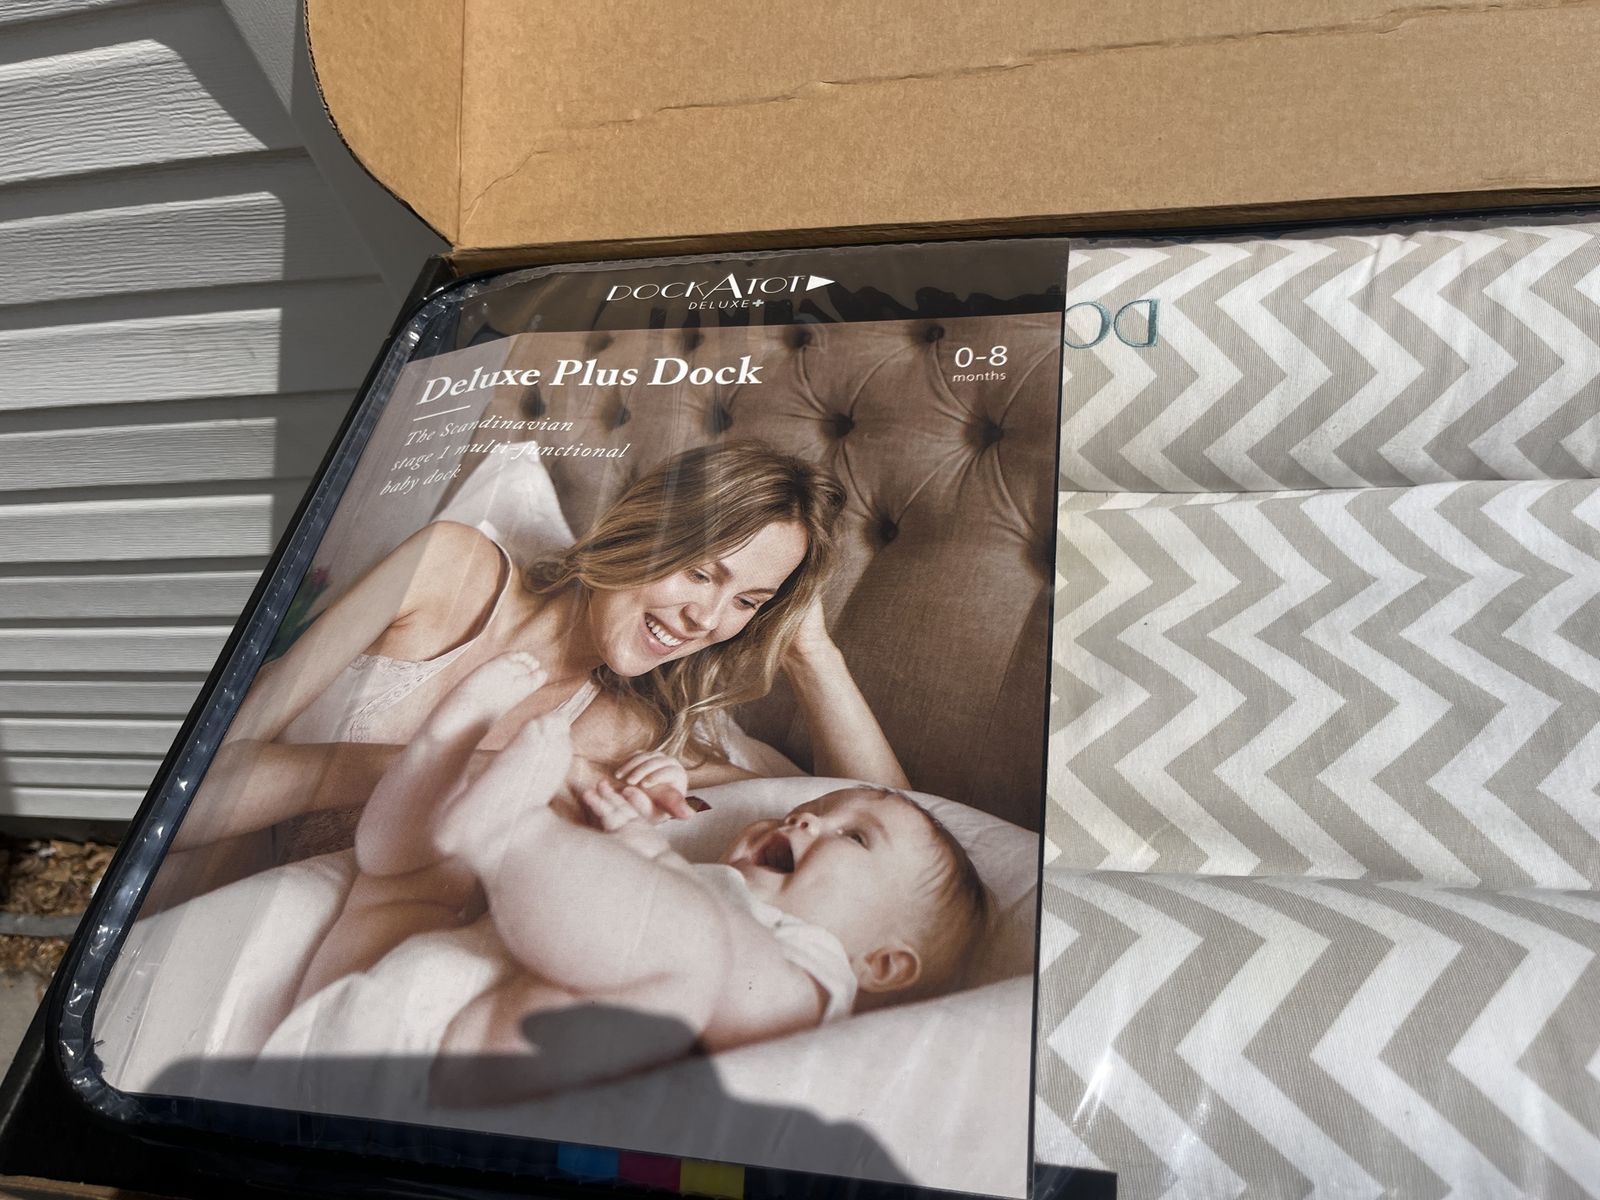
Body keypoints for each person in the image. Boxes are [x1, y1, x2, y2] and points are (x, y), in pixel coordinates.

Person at [264, 652, 990, 1107]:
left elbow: (686, 938)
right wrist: (633, 826)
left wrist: (636, 854)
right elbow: (624, 912)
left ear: (884, 964)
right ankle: (444, 755)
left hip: (463, 1083)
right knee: (408, 886)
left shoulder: (813, 977)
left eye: (853, 837)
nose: (804, 819)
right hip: (379, 1010)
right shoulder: (704, 886)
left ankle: (505, 831)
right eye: (811, 810)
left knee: (700, 953)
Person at [167, 441, 910, 879]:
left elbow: (901, 822)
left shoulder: (623, 733)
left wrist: (809, 650)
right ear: (642, 531)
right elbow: (195, 787)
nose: (707, 621)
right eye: (699, 572)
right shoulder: (447, 570)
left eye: (747, 601)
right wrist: (462, 765)